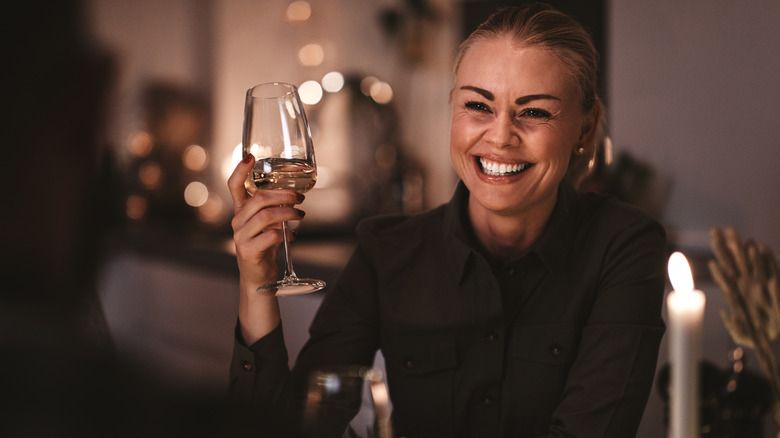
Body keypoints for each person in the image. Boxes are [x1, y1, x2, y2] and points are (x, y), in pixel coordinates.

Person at [227, 3, 667, 437]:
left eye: (534, 112)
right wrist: (256, 282)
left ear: (584, 130)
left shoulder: (624, 247)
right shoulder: (386, 253)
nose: (499, 136)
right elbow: (296, 429)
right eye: (478, 105)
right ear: (452, 109)